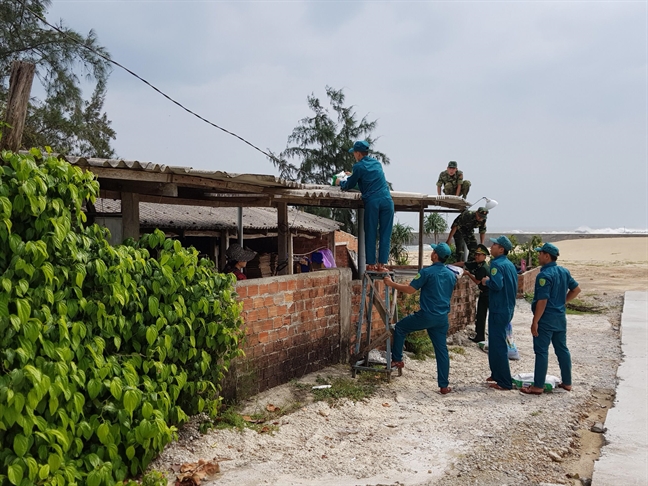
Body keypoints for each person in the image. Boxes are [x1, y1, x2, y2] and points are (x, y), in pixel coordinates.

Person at [383, 243, 457, 395]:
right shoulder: (451, 274)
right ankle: (444, 385)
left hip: (427, 315)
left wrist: (390, 283)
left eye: (433, 251)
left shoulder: (426, 272)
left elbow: (410, 290)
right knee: (441, 351)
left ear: (435, 255)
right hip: (442, 318)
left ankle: (397, 359)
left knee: (400, 328)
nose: (432, 253)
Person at [520, 243, 581, 395]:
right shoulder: (563, 271)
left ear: (547, 256)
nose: (538, 256)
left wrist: (535, 322)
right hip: (560, 317)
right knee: (562, 349)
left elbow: (542, 301)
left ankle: (538, 386)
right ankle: (567, 382)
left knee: (541, 351)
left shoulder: (544, 275)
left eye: (540, 253)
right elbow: (576, 289)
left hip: (546, 318)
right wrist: (563, 302)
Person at [336, 140, 394, 272]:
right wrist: (354, 176)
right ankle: (382, 265)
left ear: (358, 154)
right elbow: (370, 177)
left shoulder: (358, 167)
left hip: (373, 202)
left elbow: (349, 185)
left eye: (354, 153)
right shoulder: (377, 164)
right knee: (385, 234)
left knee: (371, 232)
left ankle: (371, 264)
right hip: (387, 200)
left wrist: (340, 182)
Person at [480, 235, 518, 391]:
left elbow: (497, 284)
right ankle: (496, 373)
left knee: (499, 344)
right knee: (495, 343)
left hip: (499, 308)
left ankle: (504, 381)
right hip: (507, 307)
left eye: (494, 245)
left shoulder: (496, 264)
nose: (491, 246)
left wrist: (486, 281)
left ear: (501, 249)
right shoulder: (509, 265)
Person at [454, 244, 490, 343]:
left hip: (487, 293)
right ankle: (479, 335)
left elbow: (477, 281)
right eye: (476, 254)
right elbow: (464, 263)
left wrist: (468, 274)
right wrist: (451, 266)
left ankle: (481, 336)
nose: (476, 256)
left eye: (479, 255)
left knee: (482, 315)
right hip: (484, 292)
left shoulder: (483, 267)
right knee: (480, 315)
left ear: (484, 256)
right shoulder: (477, 264)